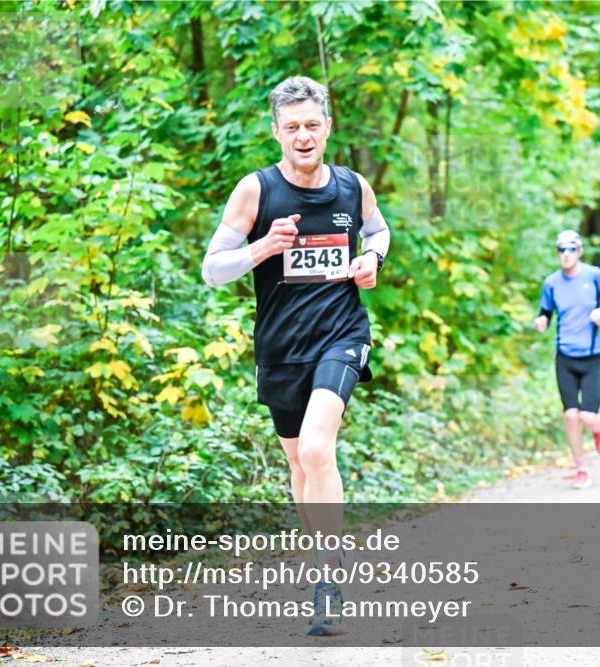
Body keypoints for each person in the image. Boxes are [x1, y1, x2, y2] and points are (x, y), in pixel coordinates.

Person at [200, 76, 390, 636]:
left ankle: (329, 578)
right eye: (292, 128)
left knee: (315, 448)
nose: (303, 136)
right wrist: (263, 247)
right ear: (276, 131)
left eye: (312, 125)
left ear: (327, 127)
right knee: (297, 465)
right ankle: (323, 564)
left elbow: (377, 233)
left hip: (342, 333)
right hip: (281, 348)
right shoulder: (255, 191)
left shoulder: (353, 188)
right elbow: (212, 269)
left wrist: (371, 260)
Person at [534, 230, 600, 490]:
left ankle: (598, 427)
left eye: (571, 249)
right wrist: (542, 321)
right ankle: (581, 468)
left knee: (587, 416)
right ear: (557, 253)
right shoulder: (551, 282)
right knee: (571, 415)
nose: (566, 254)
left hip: (592, 356)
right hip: (565, 357)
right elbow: (545, 311)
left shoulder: (593, 276)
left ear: (580, 252)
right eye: (561, 250)